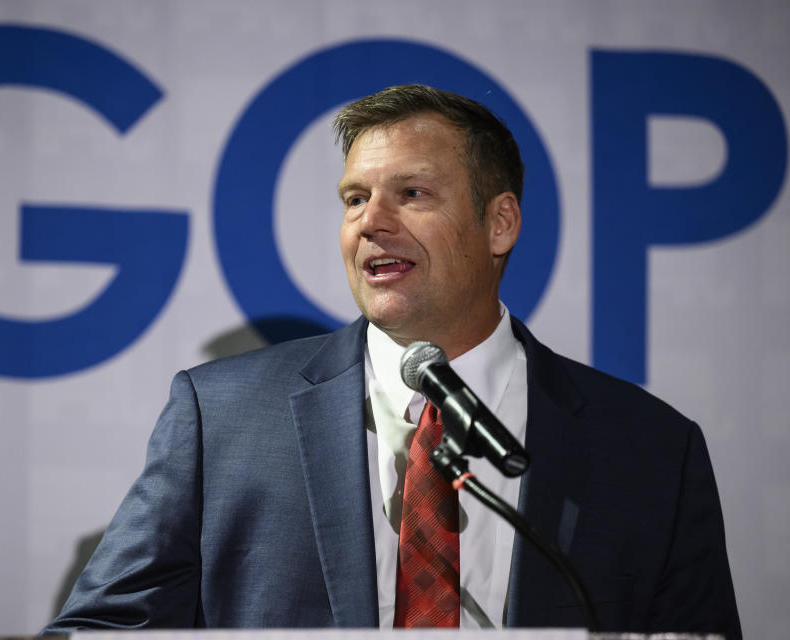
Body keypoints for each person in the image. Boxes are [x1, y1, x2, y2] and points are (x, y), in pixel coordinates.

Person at [44, 85, 741, 637]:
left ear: (500, 224)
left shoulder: (650, 448)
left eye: (411, 194)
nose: (370, 223)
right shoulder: (220, 419)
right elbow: (100, 629)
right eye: (355, 198)